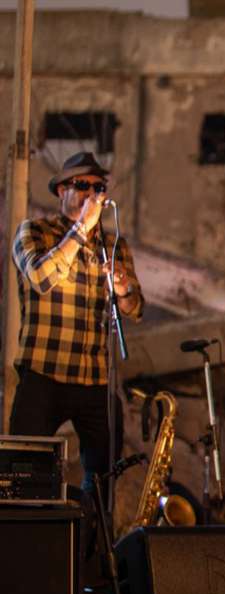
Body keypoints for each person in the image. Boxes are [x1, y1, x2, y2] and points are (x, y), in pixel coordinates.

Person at [10, 151, 144, 543]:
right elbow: (41, 277)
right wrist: (80, 230)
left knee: (102, 480)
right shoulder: (34, 232)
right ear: (61, 191)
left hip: (95, 380)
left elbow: (136, 309)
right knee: (26, 474)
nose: (91, 194)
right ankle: (26, 552)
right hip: (44, 374)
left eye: (98, 187)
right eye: (82, 185)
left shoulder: (113, 246)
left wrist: (123, 287)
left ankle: (92, 555)